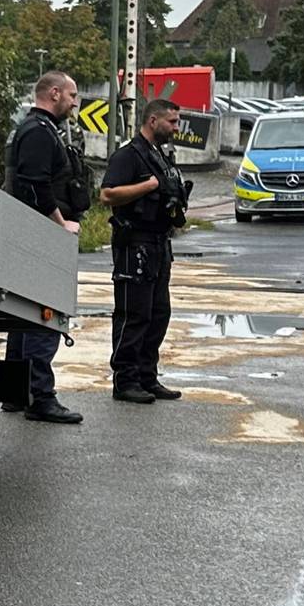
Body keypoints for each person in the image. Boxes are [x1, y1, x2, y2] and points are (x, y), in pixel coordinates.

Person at [0, 71, 89, 424]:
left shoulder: (38, 128)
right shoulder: (38, 132)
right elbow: (34, 185)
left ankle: (16, 391)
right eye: (71, 95)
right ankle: (40, 395)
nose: (74, 101)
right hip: (40, 234)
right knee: (42, 314)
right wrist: (59, 224)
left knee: (26, 312)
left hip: (30, 232)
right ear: (54, 93)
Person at [100, 99, 188, 405]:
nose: (177, 128)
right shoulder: (129, 155)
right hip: (133, 243)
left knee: (158, 313)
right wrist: (147, 186)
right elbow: (107, 194)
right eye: (172, 122)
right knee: (133, 314)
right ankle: (125, 380)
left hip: (158, 244)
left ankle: (147, 376)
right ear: (153, 120)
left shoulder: (160, 156)